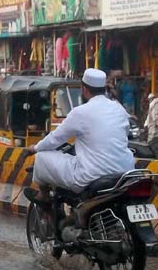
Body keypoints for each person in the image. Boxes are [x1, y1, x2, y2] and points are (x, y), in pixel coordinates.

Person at [23, 69, 134, 202]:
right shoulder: (119, 108)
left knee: (41, 157)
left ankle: (44, 197)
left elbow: (55, 139)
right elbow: (124, 133)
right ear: (104, 89)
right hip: (125, 171)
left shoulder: (80, 112)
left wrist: (34, 148)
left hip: (91, 175)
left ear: (84, 89)